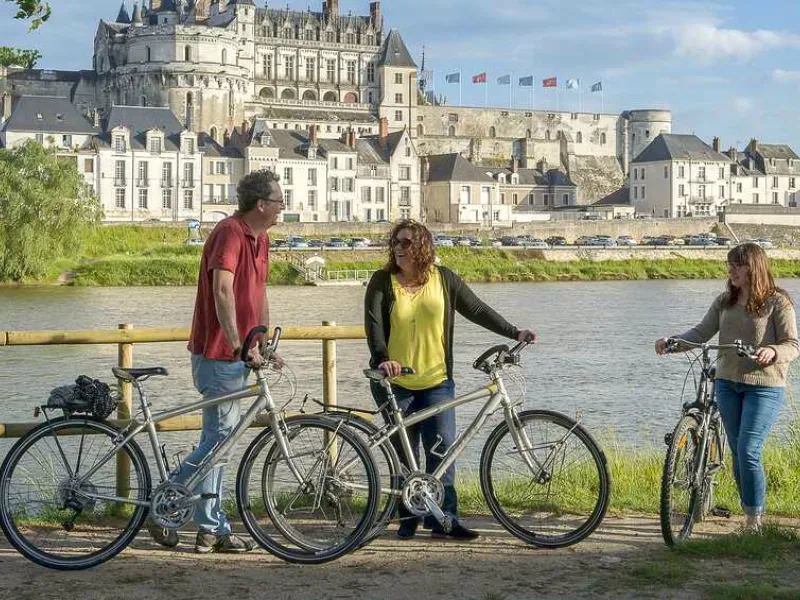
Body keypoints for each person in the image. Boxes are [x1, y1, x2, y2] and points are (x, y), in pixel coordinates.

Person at [364, 220, 535, 540]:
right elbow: (373, 327)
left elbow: (478, 309)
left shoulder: (444, 280)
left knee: (442, 450)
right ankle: (408, 517)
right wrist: (382, 359)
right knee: (404, 455)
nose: (399, 249)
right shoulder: (382, 281)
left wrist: (515, 332)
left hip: (437, 380)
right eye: (396, 243)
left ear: (422, 248)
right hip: (394, 382)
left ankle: (446, 519)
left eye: (406, 243)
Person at [148, 170, 285, 552]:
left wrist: (262, 341)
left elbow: (259, 294)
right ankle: (184, 510)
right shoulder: (230, 232)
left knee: (220, 442)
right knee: (220, 441)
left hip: (240, 355)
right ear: (260, 203)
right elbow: (222, 289)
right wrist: (238, 342)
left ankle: (206, 524)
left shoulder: (261, 240)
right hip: (218, 354)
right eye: (278, 200)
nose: (282, 207)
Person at [655, 242, 798, 533]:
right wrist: (673, 343)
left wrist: (772, 351)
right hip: (727, 384)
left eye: (737, 264)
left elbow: (792, 345)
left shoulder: (777, 302)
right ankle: (749, 512)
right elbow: (700, 332)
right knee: (736, 449)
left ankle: (754, 521)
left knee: (748, 450)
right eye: (729, 264)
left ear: (754, 268)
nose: (731, 269)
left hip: (764, 386)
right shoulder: (725, 301)